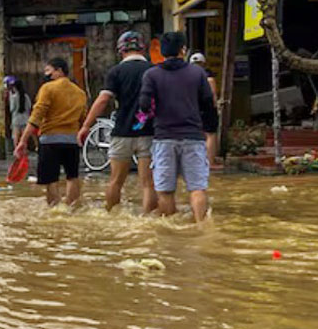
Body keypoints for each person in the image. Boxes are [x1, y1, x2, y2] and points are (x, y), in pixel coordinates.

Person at [77, 31, 157, 213]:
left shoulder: (116, 72)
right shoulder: (154, 70)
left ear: (120, 50)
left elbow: (103, 100)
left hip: (122, 132)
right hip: (149, 133)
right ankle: (148, 221)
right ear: (143, 48)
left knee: (115, 181)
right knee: (148, 184)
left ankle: (111, 217)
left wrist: (86, 126)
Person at [139, 32, 214, 222]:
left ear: (162, 52)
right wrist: (209, 129)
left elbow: (144, 105)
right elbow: (208, 104)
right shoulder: (197, 73)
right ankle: (202, 229)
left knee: (165, 191)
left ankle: (169, 235)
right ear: (183, 50)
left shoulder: (151, 74)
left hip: (164, 138)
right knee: (197, 188)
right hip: (193, 137)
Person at [14, 58, 87, 206]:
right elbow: (83, 119)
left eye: (49, 71)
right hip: (72, 141)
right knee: (72, 176)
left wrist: (22, 141)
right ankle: (71, 209)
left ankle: (55, 211)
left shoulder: (48, 88)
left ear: (59, 71)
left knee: (51, 180)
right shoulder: (80, 92)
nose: (46, 75)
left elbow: (36, 117)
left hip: (50, 141)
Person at [188, 52, 220, 163]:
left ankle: (196, 161)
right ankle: (209, 161)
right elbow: (213, 96)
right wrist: (216, 108)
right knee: (210, 135)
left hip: (193, 109)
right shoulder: (209, 78)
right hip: (208, 109)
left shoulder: (188, 78)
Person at [5, 76, 33, 152]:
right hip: (25, 119)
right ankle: (24, 151)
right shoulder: (26, 96)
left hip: (16, 119)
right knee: (24, 137)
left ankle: (17, 151)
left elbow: (12, 109)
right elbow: (29, 106)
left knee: (16, 136)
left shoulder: (14, 97)